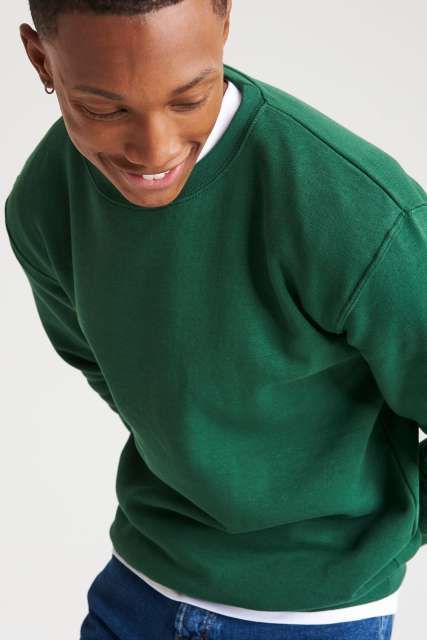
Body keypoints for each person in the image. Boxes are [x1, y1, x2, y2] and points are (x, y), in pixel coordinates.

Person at [5, 0, 426, 637]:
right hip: (136, 588)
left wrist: (385, 533)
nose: (155, 149)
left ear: (224, 20)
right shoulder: (43, 199)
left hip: (311, 617)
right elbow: (103, 367)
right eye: (105, 109)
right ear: (42, 60)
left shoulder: (358, 214)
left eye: (188, 99)